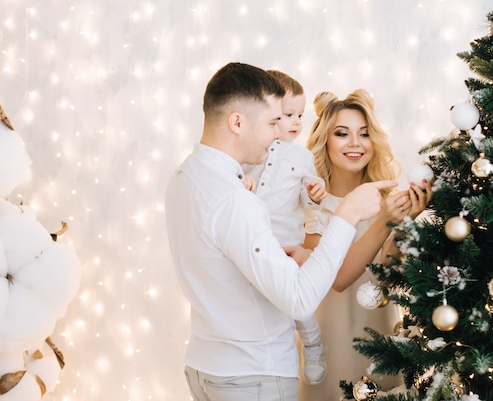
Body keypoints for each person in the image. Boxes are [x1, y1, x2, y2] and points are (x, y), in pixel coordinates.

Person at [164, 62, 397, 401]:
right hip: (252, 377)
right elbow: (299, 299)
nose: (279, 133)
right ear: (237, 122)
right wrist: (347, 215)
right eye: (273, 122)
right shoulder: (235, 202)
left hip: (206, 368)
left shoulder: (184, 178)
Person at [299, 89, 433, 400]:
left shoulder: (385, 202)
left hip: (379, 333)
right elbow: (339, 279)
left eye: (364, 133)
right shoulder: (311, 203)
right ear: (325, 140)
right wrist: (386, 221)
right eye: (342, 134)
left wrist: (405, 222)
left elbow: (383, 275)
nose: (355, 143)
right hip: (330, 340)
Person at [243, 69, 328, 385]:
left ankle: (314, 345)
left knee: (296, 303)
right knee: (257, 305)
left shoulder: (301, 156)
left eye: (299, 115)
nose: (296, 122)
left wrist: (313, 194)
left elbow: (310, 201)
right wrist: (244, 182)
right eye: (287, 115)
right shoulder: (251, 150)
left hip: (287, 244)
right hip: (254, 242)